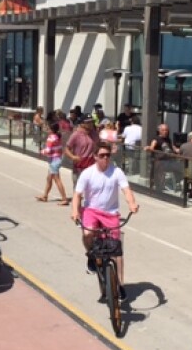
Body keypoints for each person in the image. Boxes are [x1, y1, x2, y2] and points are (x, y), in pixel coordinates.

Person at [71, 141, 140, 299]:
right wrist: (75, 211)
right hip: (92, 211)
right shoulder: (87, 173)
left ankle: (120, 285)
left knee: (116, 251)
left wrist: (132, 204)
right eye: (101, 155)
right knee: (88, 234)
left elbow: (126, 190)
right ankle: (90, 255)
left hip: (111, 214)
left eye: (108, 155)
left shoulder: (117, 172)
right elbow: (77, 195)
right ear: (95, 156)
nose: (105, 158)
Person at [36, 122, 70, 205]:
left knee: (57, 180)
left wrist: (41, 152)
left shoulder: (51, 138)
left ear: (51, 130)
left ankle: (64, 198)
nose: (47, 129)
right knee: (49, 179)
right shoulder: (57, 137)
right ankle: (45, 196)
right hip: (57, 159)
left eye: (48, 128)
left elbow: (48, 151)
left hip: (54, 161)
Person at [145, 124, 183, 192]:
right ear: (159, 131)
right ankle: (159, 187)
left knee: (181, 167)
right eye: (163, 130)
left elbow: (173, 148)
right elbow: (152, 147)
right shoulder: (156, 139)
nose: (165, 132)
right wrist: (149, 148)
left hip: (170, 161)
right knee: (159, 167)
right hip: (161, 162)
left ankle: (178, 183)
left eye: (166, 130)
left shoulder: (168, 139)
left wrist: (179, 150)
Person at [65, 114, 97, 185]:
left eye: (92, 122)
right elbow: (66, 149)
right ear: (82, 124)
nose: (91, 124)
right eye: (88, 122)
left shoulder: (94, 134)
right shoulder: (76, 134)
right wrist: (73, 157)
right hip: (79, 167)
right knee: (78, 190)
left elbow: (100, 145)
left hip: (92, 166)